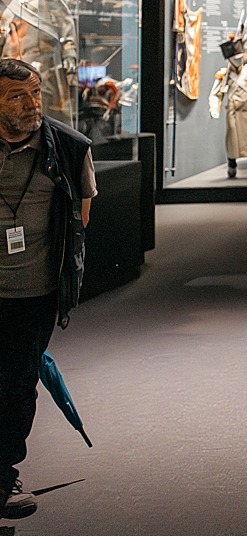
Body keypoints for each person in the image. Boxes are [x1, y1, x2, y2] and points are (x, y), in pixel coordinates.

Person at [0, 58, 92, 521]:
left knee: (18, 385)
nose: (32, 103)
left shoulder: (70, 147)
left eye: (35, 92)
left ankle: (4, 473)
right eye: (17, 96)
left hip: (34, 295)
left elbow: (83, 213)